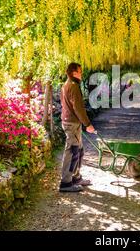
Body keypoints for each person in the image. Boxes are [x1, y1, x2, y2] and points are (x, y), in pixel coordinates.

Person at [59, 62, 95, 192]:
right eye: (80, 71)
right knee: (72, 151)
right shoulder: (73, 86)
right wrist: (88, 124)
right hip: (72, 123)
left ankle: (76, 177)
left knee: (79, 151)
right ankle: (66, 183)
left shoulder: (66, 85)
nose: (82, 74)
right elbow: (78, 108)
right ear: (74, 73)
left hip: (72, 122)